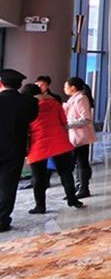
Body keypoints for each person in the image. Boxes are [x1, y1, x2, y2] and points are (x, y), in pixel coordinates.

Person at [21, 84, 84, 212]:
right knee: (65, 173)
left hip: (38, 145)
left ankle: (40, 206)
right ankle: (72, 199)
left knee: (38, 177)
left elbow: (24, 127)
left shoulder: (26, 108)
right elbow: (64, 122)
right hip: (59, 142)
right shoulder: (55, 104)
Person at [0, 69, 38, 232]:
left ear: (1, 83)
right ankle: (2, 219)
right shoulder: (30, 102)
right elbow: (32, 118)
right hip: (15, 149)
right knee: (8, 185)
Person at [63, 77, 97, 199]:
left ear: (73, 87)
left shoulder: (81, 98)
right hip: (75, 135)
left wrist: (68, 125)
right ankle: (78, 187)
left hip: (81, 136)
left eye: (66, 86)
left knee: (81, 161)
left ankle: (83, 188)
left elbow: (86, 118)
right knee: (79, 161)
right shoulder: (73, 99)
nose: (64, 88)